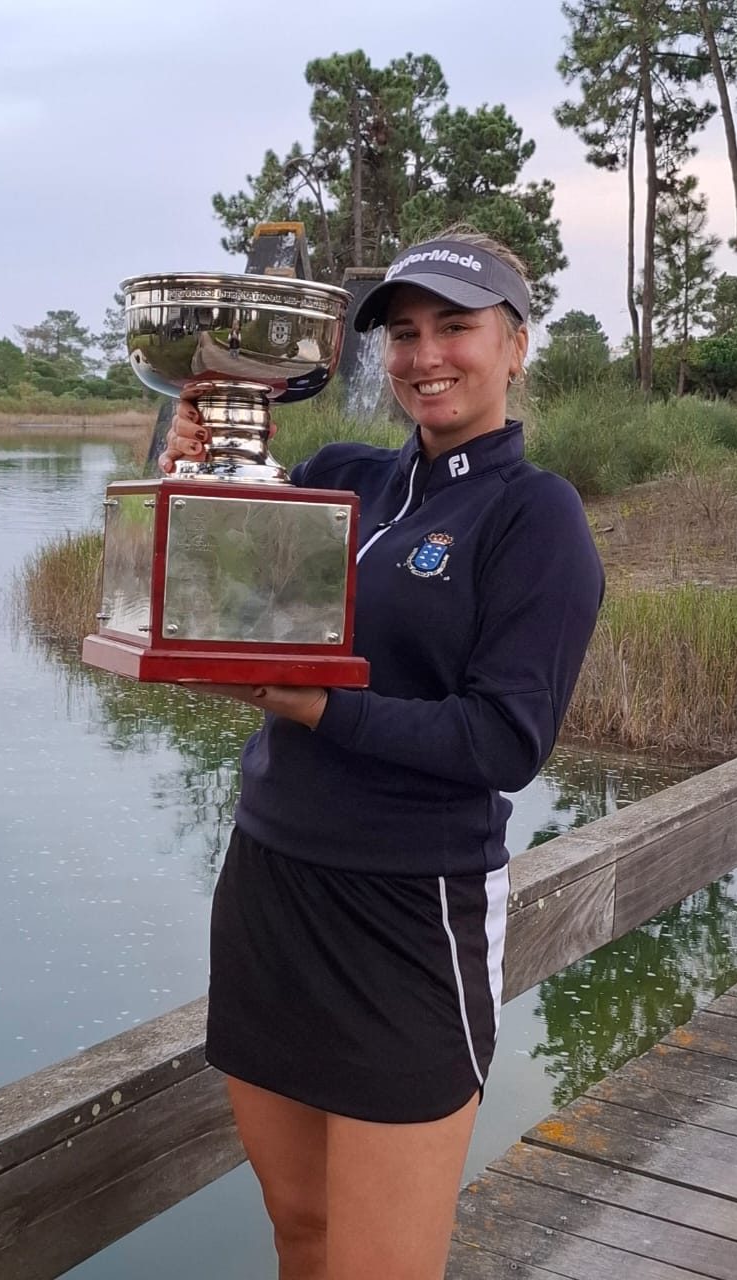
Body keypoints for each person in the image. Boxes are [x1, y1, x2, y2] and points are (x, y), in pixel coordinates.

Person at [159, 230, 604, 1280]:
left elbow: (504, 739)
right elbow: (205, 593)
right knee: (302, 1232)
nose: (424, 353)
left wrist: (317, 705)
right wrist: (185, 454)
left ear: (515, 345)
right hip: (270, 889)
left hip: (408, 914)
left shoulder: (534, 514)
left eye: (456, 325)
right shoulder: (339, 478)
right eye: (403, 332)